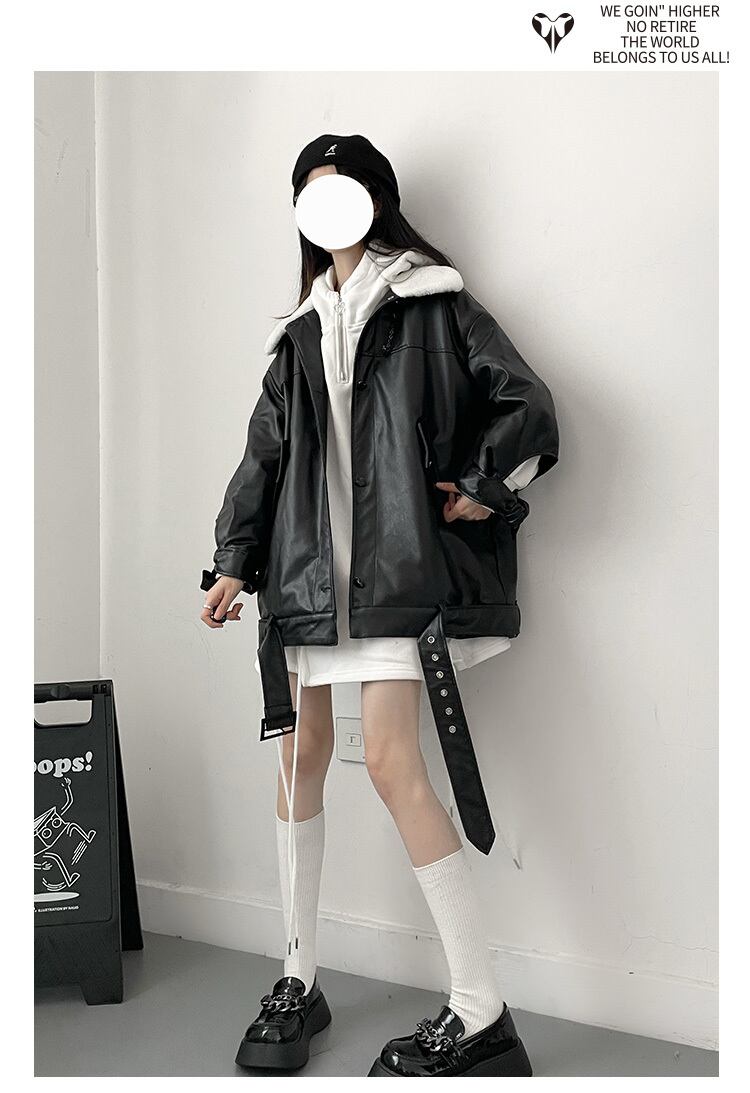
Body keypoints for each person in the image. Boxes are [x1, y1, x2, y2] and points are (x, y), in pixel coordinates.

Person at [200, 133, 559, 1077]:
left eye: (340, 188)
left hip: (396, 581)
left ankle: (482, 1009)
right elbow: (264, 455)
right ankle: (298, 978)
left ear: (375, 197)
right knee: (299, 759)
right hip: (307, 581)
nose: (325, 208)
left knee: (395, 765)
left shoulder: (435, 301)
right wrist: (233, 561)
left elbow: (527, 404)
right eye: (309, 193)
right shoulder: (298, 331)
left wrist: (484, 484)